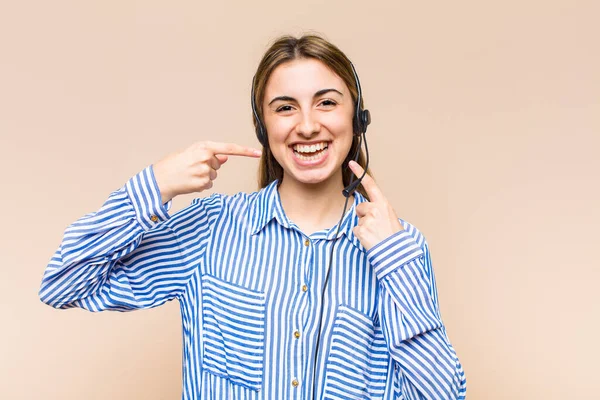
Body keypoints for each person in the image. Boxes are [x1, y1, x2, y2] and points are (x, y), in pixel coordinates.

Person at [39, 34, 467, 400]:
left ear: (356, 120)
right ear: (263, 127)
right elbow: (63, 283)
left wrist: (395, 261)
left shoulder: (400, 247)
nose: (307, 125)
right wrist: (157, 184)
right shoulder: (210, 228)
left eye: (326, 103)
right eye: (285, 108)